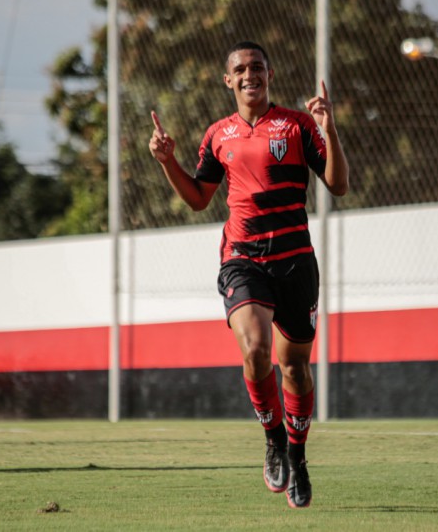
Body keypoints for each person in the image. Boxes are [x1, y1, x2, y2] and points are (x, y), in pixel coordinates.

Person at [148, 41, 349, 509]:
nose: (248, 74)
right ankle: (274, 439)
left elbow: (338, 185)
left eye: (256, 67)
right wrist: (166, 162)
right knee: (256, 349)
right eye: (239, 69)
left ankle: (297, 458)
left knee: (295, 367)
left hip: (296, 259)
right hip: (242, 258)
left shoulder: (298, 126)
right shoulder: (217, 135)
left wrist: (330, 129)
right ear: (228, 80)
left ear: (270, 74)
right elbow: (199, 198)